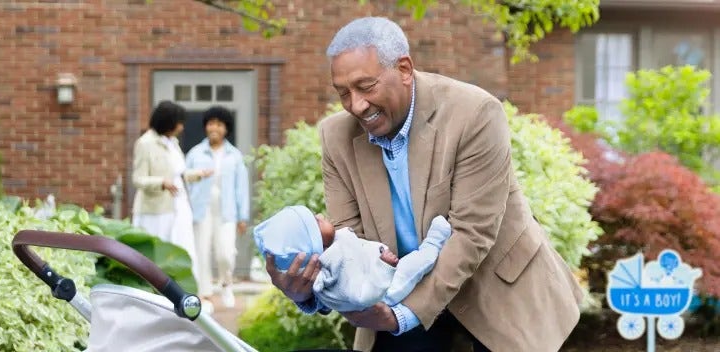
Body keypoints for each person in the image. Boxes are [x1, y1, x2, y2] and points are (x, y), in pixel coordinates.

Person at [264, 17, 583, 352]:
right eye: (343, 93)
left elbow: (472, 233)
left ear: (404, 69)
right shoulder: (336, 137)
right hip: (401, 287)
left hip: (496, 287)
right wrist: (307, 293)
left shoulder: (475, 113)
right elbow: (350, 246)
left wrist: (402, 316)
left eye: (366, 86)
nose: (356, 105)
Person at [254, 205, 451, 312]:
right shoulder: (331, 267)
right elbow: (363, 296)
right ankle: (433, 245)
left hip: (376, 274)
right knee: (415, 265)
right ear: (314, 243)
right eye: (316, 221)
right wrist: (385, 268)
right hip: (385, 289)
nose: (321, 215)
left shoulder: (333, 247)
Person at [132, 100, 209, 284]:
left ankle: (183, 291)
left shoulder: (173, 142)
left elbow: (178, 174)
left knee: (182, 248)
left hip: (179, 205)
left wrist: (198, 174)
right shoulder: (145, 143)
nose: (182, 127)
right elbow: (138, 179)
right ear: (168, 122)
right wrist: (162, 183)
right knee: (158, 254)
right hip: (156, 210)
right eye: (179, 122)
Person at [185, 105, 250, 309]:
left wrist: (242, 217)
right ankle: (205, 293)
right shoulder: (195, 153)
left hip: (227, 211)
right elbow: (185, 182)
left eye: (219, 124)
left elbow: (242, 187)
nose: (215, 128)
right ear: (206, 126)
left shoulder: (235, 156)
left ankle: (226, 283)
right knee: (201, 252)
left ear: (226, 129)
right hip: (201, 210)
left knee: (225, 253)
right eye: (211, 123)